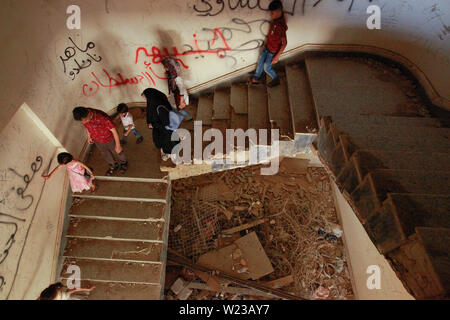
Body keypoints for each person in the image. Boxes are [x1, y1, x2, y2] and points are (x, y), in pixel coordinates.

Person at [73, 106, 128, 175]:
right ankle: (113, 165)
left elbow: (114, 130)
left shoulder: (102, 118)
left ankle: (124, 163)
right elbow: (87, 126)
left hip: (109, 139)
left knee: (118, 151)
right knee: (105, 153)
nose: (83, 122)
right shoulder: (84, 115)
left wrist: (118, 145)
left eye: (84, 120)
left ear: (88, 115)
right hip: (97, 140)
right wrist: (89, 136)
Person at [249, 0, 288, 87]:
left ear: (279, 12)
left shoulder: (281, 27)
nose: (270, 14)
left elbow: (284, 43)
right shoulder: (275, 21)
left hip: (272, 52)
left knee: (267, 68)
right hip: (267, 48)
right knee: (260, 62)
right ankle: (256, 78)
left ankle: (276, 79)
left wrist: (276, 57)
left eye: (272, 13)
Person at [142, 88, 181, 161]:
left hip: (166, 131)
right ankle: (165, 152)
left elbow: (166, 124)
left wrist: (153, 125)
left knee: (169, 143)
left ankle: (172, 153)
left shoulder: (160, 107)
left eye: (146, 98)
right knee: (163, 143)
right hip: (160, 129)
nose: (146, 100)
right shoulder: (154, 104)